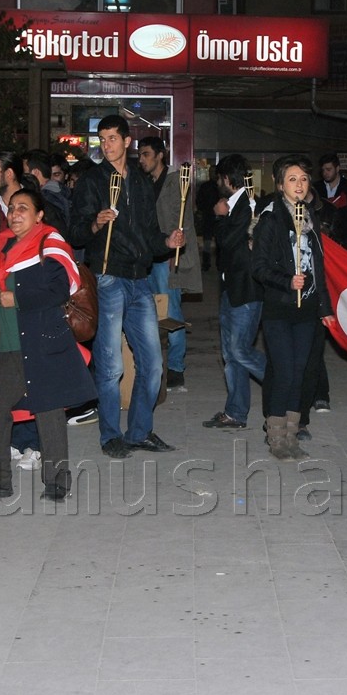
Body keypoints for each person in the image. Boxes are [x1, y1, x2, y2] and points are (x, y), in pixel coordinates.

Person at [0, 188, 96, 500]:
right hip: (7, 345)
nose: (15, 214)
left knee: (48, 409)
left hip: (41, 342)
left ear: (39, 215)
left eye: (24, 208)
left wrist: (16, 298)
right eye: (12, 208)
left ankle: (58, 483)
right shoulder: (2, 247)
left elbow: (59, 291)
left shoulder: (49, 244)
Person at [70, 114, 184, 458]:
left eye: (112, 139)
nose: (106, 146)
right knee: (111, 364)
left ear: (127, 141)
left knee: (152, 365)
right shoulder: (91, 181)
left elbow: (150, 236)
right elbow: (74, 232)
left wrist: (169, 241)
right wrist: (95, 223)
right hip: (107, 277)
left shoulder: (141, 182)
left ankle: (139, 431)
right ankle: (110, 435)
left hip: (139, 279)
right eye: (101, 140)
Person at [252, 153, 337, 460]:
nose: (299, 185)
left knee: (301, 373)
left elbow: (320, 268)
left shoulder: (312, 221)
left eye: (303, 179)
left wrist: (325, 308)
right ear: (280, 185)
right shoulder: (271, 220)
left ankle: (291, 434)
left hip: (308, 309)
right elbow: (258, 268)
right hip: (280, 308)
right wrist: (287, 281)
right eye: (292, 179)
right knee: (285, 371)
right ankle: (275, 437)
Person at [202, 153, 266, 430]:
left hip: (247, 290)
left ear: (226, 180)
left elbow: (228, 242)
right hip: (232, 287)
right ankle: (236, 412)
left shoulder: (245, 206)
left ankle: (286, 386)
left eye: (219, 178)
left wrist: (219, 218)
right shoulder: (235, 203)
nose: (218, 183)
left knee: (240, 350)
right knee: (230, 354)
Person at [139, 136, 200, 392]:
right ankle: (152, 364)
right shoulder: (142, 183)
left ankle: (175, 367)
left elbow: (184, 221)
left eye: (146, 154)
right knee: (146, 312)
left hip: (166, 258)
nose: (142, 160)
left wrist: (180, 255)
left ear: (160, 156)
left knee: (172, 312)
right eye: (140, 155)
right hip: (146, 257)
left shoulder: (175, 183)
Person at [314, 151, 347, 251]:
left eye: (329, 169)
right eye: (323, 170)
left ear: (337, 168)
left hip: (344, 240)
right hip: (322, 240)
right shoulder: (316, 188)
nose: (325, 173)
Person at [194, 167, 221, 272]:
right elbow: (199, 201)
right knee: (209, 242)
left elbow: (199, 201)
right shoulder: (213, 186)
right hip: (211, 217)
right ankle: (211, 263)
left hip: (212, 217)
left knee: (213, 242)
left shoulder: (209, 186)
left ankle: (210, 264)